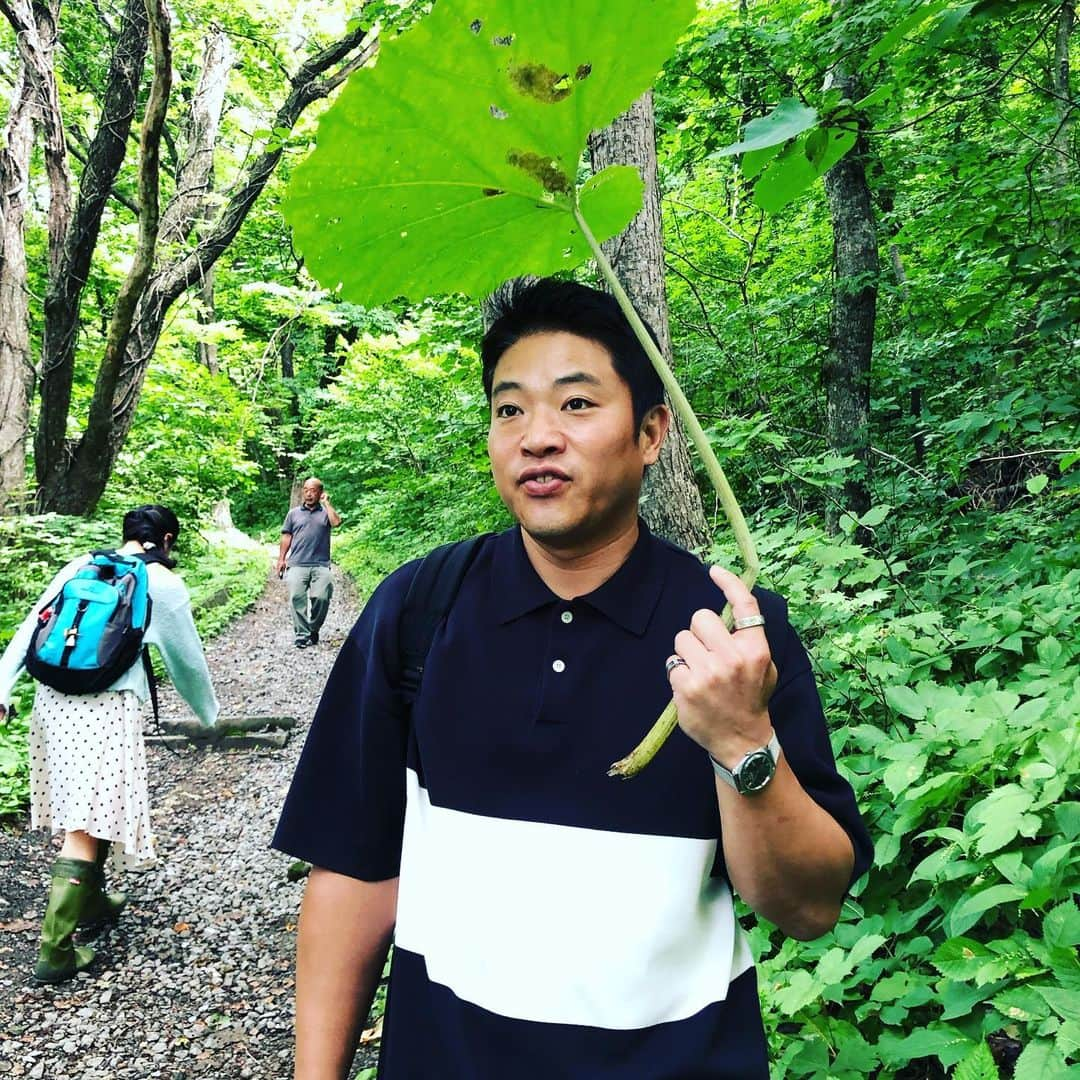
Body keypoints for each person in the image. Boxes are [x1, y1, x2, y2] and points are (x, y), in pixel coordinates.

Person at [273, 279, 873, 1079]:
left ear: (653, 432)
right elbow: (354, 867)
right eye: (509, 409)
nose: (536, 437)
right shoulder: (419, 608)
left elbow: (809, 907)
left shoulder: (730, 633)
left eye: (578, 405)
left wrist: (741, 741)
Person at [0, 504, 220, 984]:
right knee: (86, 818)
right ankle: (55, 951)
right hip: (106, 708)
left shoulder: (81, 565)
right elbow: (187, 662)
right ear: (166, 542)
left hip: (52, 704)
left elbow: (30, 630)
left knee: (92, 807)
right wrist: (210, 717)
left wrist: (1, 686)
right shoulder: (161, 584)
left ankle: (94, 901)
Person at [277, 478, 341, 649]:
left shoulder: (325, 513)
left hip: (320, 564)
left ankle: (313, 628)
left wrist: (327, 504)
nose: (308, 493)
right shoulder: (293, 514)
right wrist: (281, 559)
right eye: (305, 490)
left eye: (312, 490)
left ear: (320, 492)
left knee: (321, 597)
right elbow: (286, 536)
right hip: (297, 563)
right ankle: (301, 635)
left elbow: (336, 522)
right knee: (297, 598)